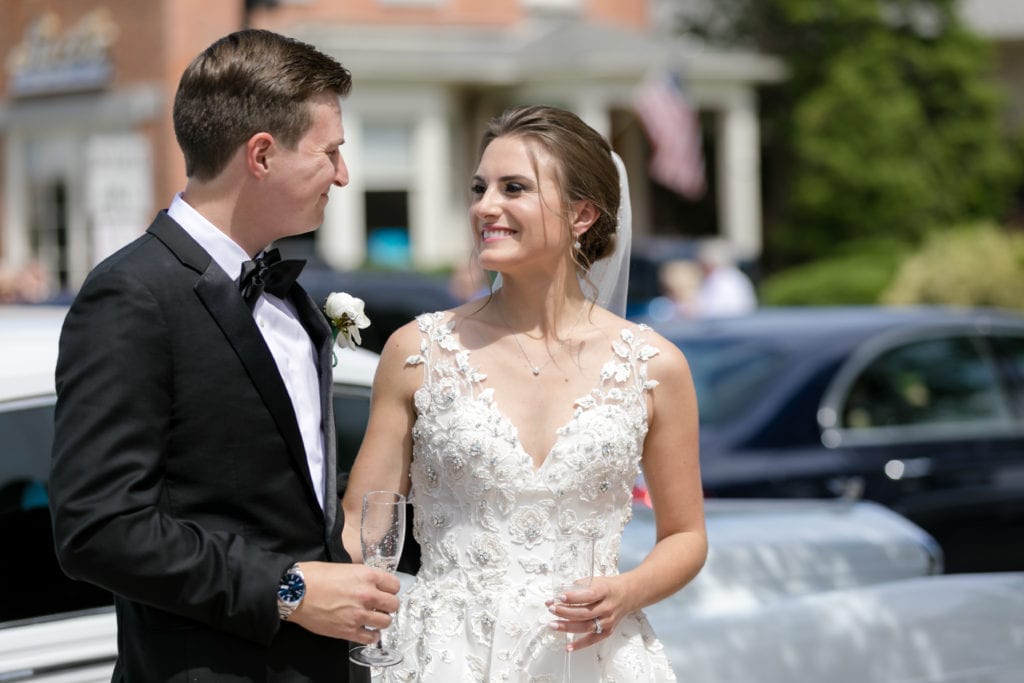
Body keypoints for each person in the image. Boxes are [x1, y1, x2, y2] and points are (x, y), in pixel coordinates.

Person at [49, 29, 399, 682]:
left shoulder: (294, 303)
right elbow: (98, 527)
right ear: (262, 155)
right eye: (331, 152)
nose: (344, 174)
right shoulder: (133, 295)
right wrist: (287, 589)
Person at [341, 105, 708, 681]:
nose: (485, 207)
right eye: (479, 188)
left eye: (514, 188)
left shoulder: (655, 365)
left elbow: (686, 536)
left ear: (582, 214)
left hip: (593, 654)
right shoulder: (419, 350)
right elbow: (362, 524)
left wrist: (628, 590)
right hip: (445, 655)